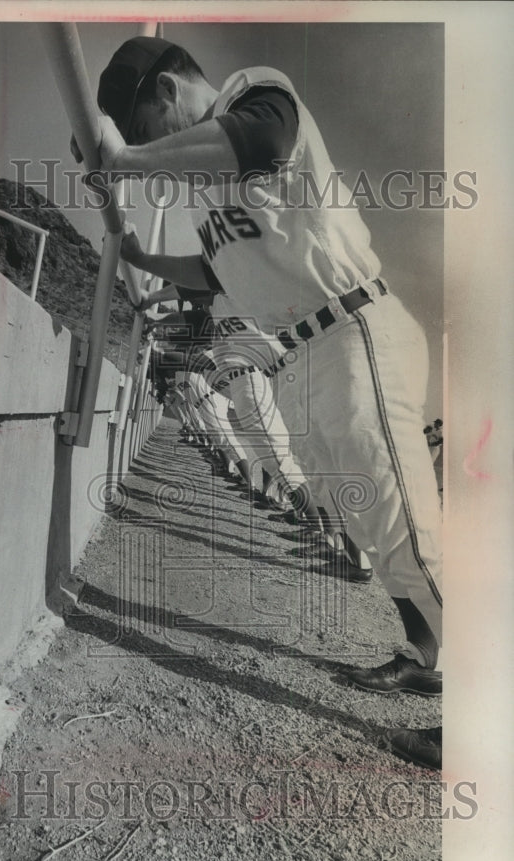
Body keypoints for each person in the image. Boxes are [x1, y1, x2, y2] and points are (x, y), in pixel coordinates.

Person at [79, 35, 444, 768]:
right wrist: (140, 254)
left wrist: (124, 164)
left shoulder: (256, 95)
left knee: (404, 524)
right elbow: (217, 276)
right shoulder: (212, 185)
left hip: (350, 326)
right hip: (302, 354)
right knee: (371, 526)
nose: (160, 147)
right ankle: (424, 653)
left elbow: (261, 142)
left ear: (164, 92)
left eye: (153, 130)